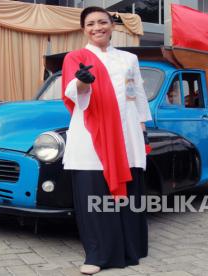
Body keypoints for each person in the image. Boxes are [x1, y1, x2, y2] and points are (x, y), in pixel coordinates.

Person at [61, 7, 151, 274]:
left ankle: (131, 248)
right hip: (91, 135)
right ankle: (97, 255)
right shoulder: (75, 57)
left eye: (102, 22)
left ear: (112, 25)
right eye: (90, 23)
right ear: (83, 29)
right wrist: (82, 83)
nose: (97, 27)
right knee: (94, 196)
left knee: (128, 195)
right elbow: (70, 91)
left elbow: (137, 92)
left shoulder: (129, 58)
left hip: (127, 133)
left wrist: (142, 124)